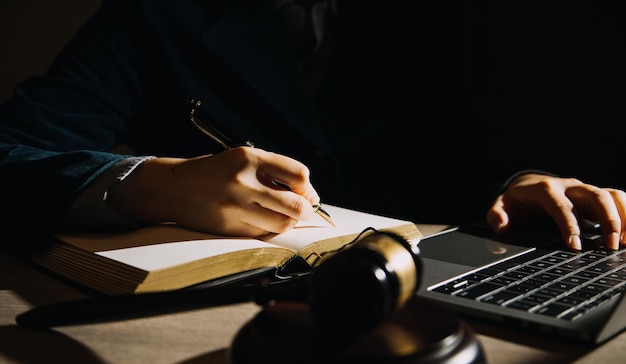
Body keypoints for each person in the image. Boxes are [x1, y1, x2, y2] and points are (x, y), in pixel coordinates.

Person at [1, 0, 625, 256]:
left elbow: (450, 168)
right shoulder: (153, 15)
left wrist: (515, 187)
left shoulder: (413, 19)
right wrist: (144, 184)